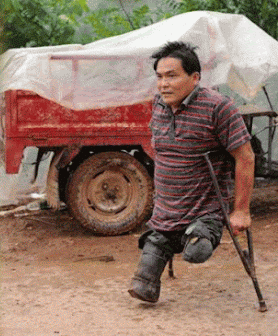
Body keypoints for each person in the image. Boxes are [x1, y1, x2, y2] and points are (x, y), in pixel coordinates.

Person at [128, 41, 255, 303]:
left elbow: (246, 157)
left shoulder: (219, 108)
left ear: (195, 78)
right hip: (165, 214)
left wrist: (241, 210)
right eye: (160, 77)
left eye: (172, 76)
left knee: (197, 251)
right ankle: (164, 251)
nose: (164, 84)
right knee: (143, 284)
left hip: (204, 211)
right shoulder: (159, 104)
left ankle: (196, 237)